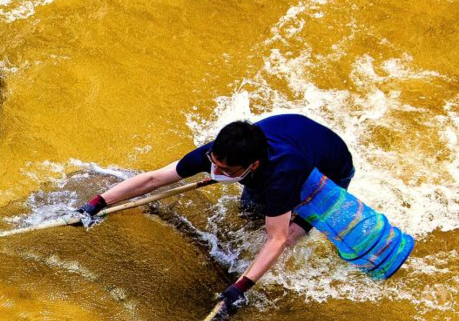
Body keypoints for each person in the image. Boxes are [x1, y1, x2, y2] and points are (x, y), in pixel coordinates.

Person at [76, 114, 355, 311]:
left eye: (226, 172)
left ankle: (258, 273)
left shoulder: (281, 175)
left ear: (253, 165)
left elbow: (277, 239)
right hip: (294, 139)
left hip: (330, 172)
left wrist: (242, 287)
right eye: (214, 165)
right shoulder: (216, 153)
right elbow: (153, 180)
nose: (215, 172)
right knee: (248, 214)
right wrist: (98, 202)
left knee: (291, 235)